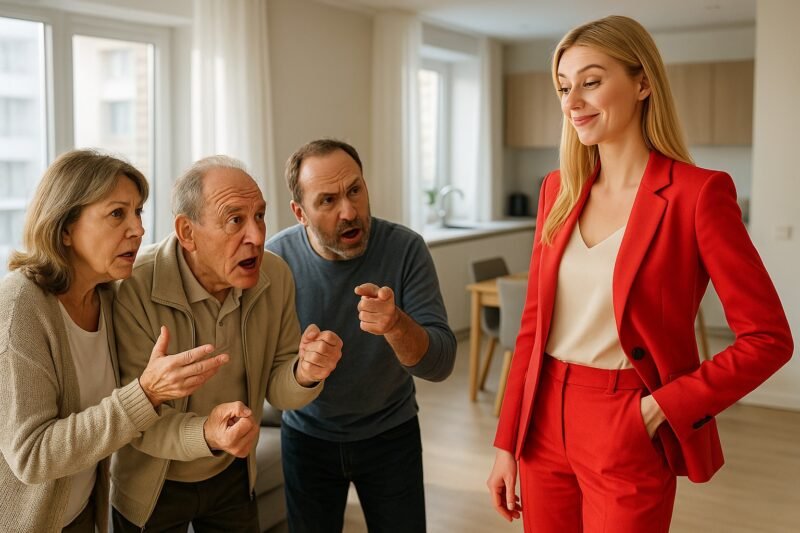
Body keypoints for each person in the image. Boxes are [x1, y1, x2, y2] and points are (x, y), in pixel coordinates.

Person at [487, 15, 793, 533]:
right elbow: (533, 330)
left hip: (625, 417)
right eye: (564, 87)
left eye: (591, 80)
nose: (572, 102)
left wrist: (657, 410)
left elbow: (768, 339)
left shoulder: (699, 194)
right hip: (541, 422)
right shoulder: (556, 190)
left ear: (643, 82)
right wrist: (506, 442)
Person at [0, 150, 230, 533]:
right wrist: (145, 394)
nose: (138, 229)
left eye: (138, 211)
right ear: (66, 228)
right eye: (117, 214)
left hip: (82, 515)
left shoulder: (109, 296)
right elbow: (32, 456)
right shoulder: (19, 308)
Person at [110, 155, 343, 531]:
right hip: (153, 484)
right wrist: (207, 433)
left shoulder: (274, 274)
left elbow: (279, 392)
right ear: (187, 233)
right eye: (235, 220)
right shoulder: (132, 287)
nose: (256, 235)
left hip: (231, 472)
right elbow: (131, 420)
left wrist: (305, 373)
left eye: (260, 216)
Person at [266, 138, 457, 533]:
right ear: (300, 212)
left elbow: (441, 364)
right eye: (328, 201)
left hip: (391, 434)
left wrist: (395, 325)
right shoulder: (275, 263)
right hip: (306, 438)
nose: (349, 211)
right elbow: (261, 369)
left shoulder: (406, 249)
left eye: (355, 190)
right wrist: (301, 369)